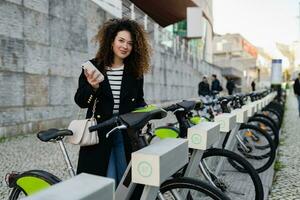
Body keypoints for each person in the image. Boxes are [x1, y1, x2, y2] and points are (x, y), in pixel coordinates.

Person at [74, 18, 151, 185]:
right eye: (121, 40)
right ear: (111, 41)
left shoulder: (135, 71)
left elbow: (139, 100)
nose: (125, 46)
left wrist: (146, 113)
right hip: (100, 133)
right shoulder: (93, 67)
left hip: (125, 132)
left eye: (130, 43)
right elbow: (80, 101)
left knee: (127, 180)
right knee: (102, 181)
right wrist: (93, 88)